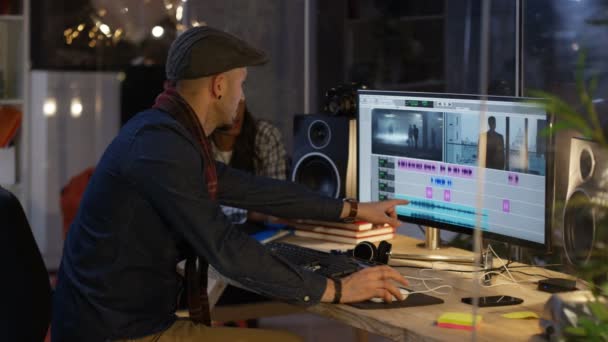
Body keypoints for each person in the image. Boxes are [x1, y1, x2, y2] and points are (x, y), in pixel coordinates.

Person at [51, 26, 409, 342]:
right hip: (116, 333)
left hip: (114, 321)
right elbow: (226, 249)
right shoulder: (162, 148)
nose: (242, 98)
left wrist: (352, 208)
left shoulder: (165, 134)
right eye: (241, 84)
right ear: (218, 86)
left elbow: (254, 190)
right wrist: (337, 289)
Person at [210, 99, 286, 224]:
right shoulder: (197, 144)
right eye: (228, 102)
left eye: (239, 102)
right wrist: (251, 213)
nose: (236, 111)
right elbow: (199, 208)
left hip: (259, 231)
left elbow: (277, 201)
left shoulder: (265, 136)